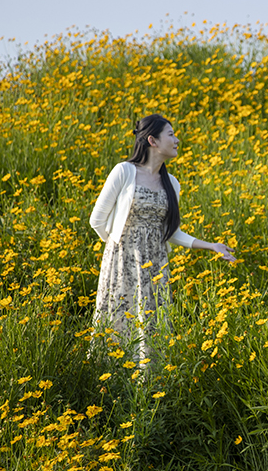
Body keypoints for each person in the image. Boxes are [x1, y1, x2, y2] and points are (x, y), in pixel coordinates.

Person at [89, 114, 236, 360]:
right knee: (117, 321)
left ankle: (148, 387)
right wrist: (120, 247)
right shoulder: (124, 172)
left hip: (157, 266)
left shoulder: (172, 183)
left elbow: (171, 232)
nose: (177, 140)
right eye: (171, 134)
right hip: (122, 264)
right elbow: (97, 220)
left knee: (152, 325)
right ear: (152, 140)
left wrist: (211, 246)